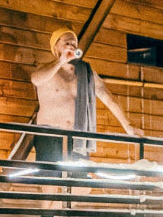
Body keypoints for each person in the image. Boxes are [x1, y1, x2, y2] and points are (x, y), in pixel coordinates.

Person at [30, 27, 143, 162]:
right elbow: (36, 80)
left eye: (74, 44)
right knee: (51, 181)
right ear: (56, 48)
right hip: (50, 135)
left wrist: (128, 125)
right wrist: (61, 61)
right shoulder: (46, 70)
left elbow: (107, 97)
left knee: (77, 180)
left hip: (78, 138)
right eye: (67, 43)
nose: (71, 46)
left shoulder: (86, 73)